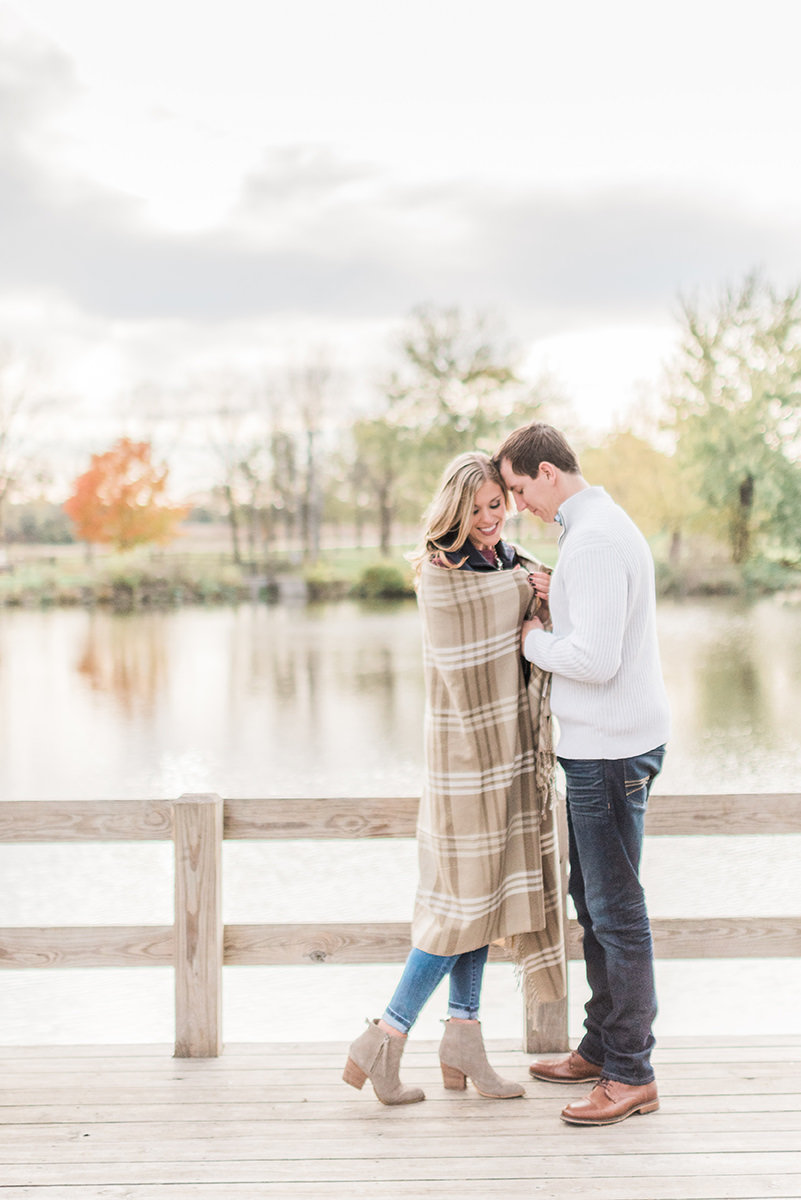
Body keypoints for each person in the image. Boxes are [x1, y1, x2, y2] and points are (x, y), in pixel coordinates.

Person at [343, 451, 566, 1105]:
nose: (488, 519)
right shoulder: (443, 574)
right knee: (461, 907)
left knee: (486, 900)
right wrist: (533, 594)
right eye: (473, 511)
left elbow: (529, 602)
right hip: (465, 762)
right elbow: (480, 640)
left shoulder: (513, 565)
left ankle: (463, 1037)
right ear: (452, 513)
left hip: (508, 761)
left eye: (496, 504)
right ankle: (384, 1036)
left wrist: (545, 591)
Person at [494, 421, 671, 1126]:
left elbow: (593, 660)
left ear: (544, 472)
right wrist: (555, 589)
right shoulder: (593, 528)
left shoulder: (593, 538)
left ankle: (630, 1073)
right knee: (593, 902)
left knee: (616, 914)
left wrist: (534, 639)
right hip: (606, 746)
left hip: (609, 752)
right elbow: (597, 621)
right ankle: (601, 1048)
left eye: (515, 489)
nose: (514, 506)